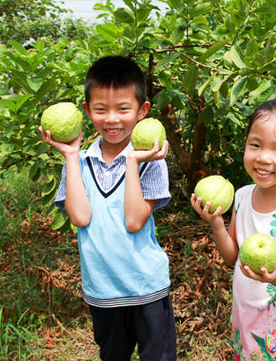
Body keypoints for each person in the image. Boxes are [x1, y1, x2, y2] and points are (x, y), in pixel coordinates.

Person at [39, 55, 177, 361]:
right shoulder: (81, 163)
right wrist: (72, 155)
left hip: (147, 288)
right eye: (101, 110)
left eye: (123, 109)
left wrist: (132, 161)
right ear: (87, 111)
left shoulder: (151, 161)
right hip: (102, 292)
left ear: (142, 111)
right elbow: (80, 217)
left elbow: (133, 220)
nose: (112, 119)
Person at [191, 97, 276, 360]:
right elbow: (233, 257)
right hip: (246, 323)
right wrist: (217, 224)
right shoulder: (241, 197)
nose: (264, 158)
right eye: (256, 145)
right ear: (245, 144)